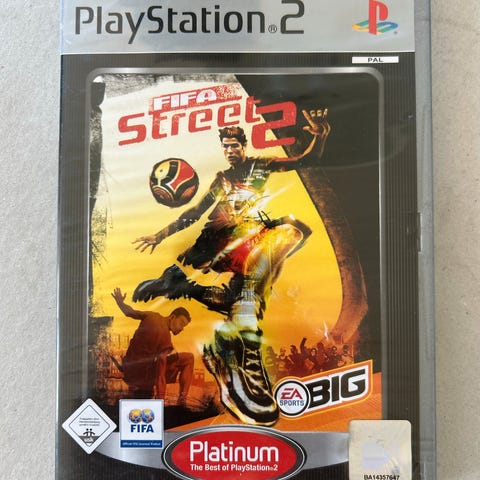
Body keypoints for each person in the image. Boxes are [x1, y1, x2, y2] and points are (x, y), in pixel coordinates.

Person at [132, 109, 331, 425]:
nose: (229, 151)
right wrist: (160, 235)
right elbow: (194, 213)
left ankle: (184, 289)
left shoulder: (261, 165)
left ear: (243, 145)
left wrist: (320, 136)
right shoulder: (222, 179)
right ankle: (243, 351)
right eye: (225, 147)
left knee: (244, 290)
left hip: (249, 237)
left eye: (234, 146)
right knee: (273, 257)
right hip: (220, 238)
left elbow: (304, 161)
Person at [111, 288, 193, 406]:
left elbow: (130, 312)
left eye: (184, 326)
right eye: (181, 323)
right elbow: (160, 374)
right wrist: (161, 400)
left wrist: (120, 302)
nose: (181, 328)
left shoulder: (152, 315)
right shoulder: (165, 338)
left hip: (129, 369)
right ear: (172, 317)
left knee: (183, 358)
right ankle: (182, 402)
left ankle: (179, 401)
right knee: (189, 358)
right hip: (142, 375)